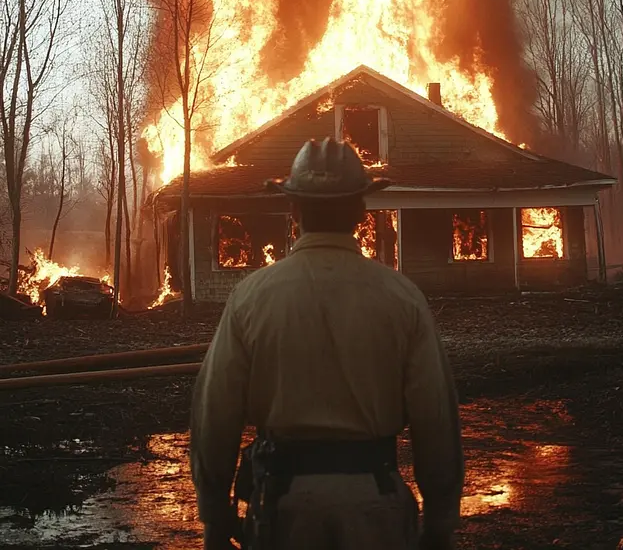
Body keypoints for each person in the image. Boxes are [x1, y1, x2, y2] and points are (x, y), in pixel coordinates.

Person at [191, 137, 464, 549]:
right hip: (376, 510)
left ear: (293, 209)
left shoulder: (251, 297)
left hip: (282, 509)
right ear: (360, 211)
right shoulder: (402, 297)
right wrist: (440, 522)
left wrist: (215, 515)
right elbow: (437, 419)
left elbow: (215, 412)